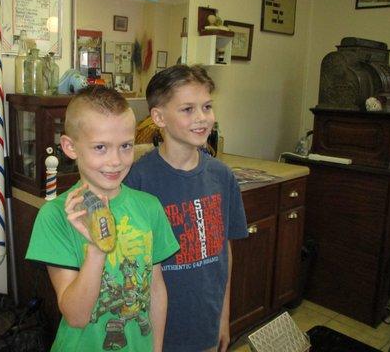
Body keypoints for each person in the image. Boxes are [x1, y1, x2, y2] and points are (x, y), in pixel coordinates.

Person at [26, 86, 179, 352]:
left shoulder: (149, 207)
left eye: (125, 146)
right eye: (100, 147)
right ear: (70, 147)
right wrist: (97, 249)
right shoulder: (54, 217)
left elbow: (155, 289)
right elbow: (76, 316)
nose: (116, 161)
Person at [124, 65, 248, 352]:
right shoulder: (137, 180)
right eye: (188, 109)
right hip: (153, 330)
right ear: (158, 117)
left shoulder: (222, 176)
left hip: (205, 322)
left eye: (206, 106)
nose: (202, 118)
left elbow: (223, 253)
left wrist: (224, 317)